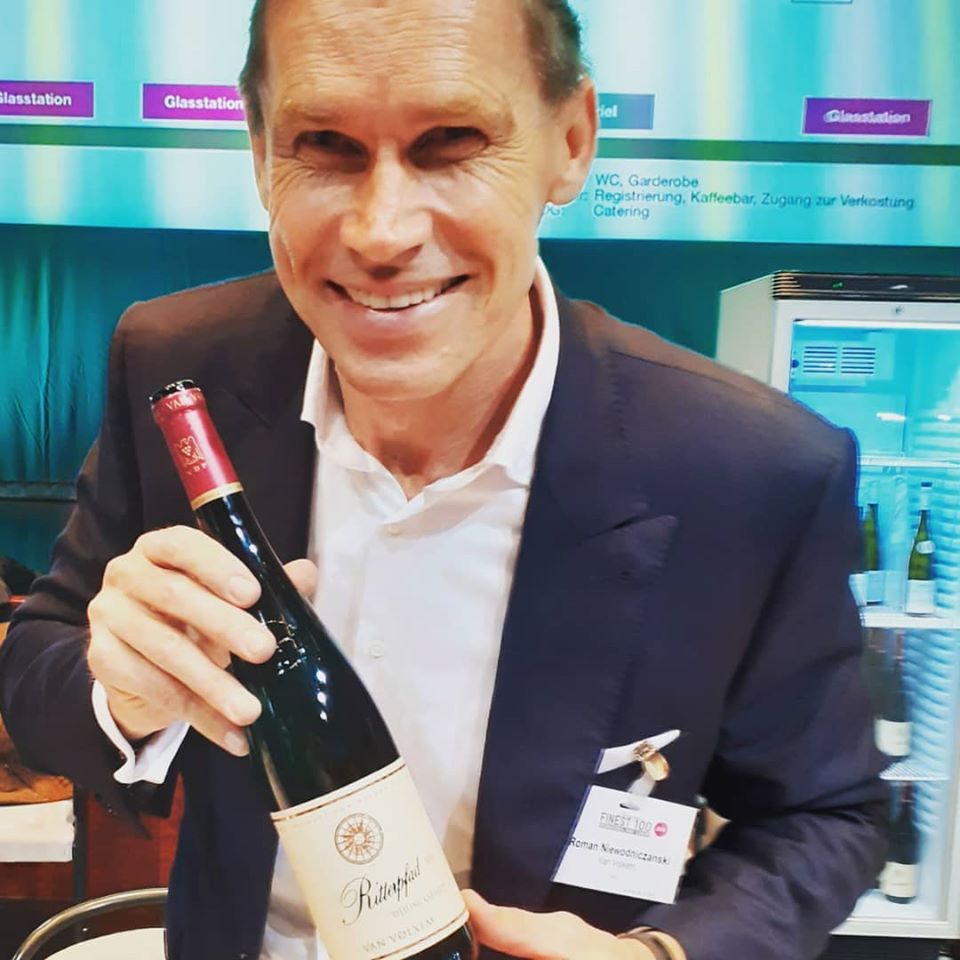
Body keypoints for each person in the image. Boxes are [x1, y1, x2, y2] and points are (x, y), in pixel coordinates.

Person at [0, 1, 885, 959]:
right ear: (260, 154)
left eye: (453, 143)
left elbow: (823, 815)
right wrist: (123, 693)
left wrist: (660, 953)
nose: (381, 233)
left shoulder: (752, 470)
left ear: (571, 142)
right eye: (324, 145)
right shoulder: (179, 369)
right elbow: (43, 660)